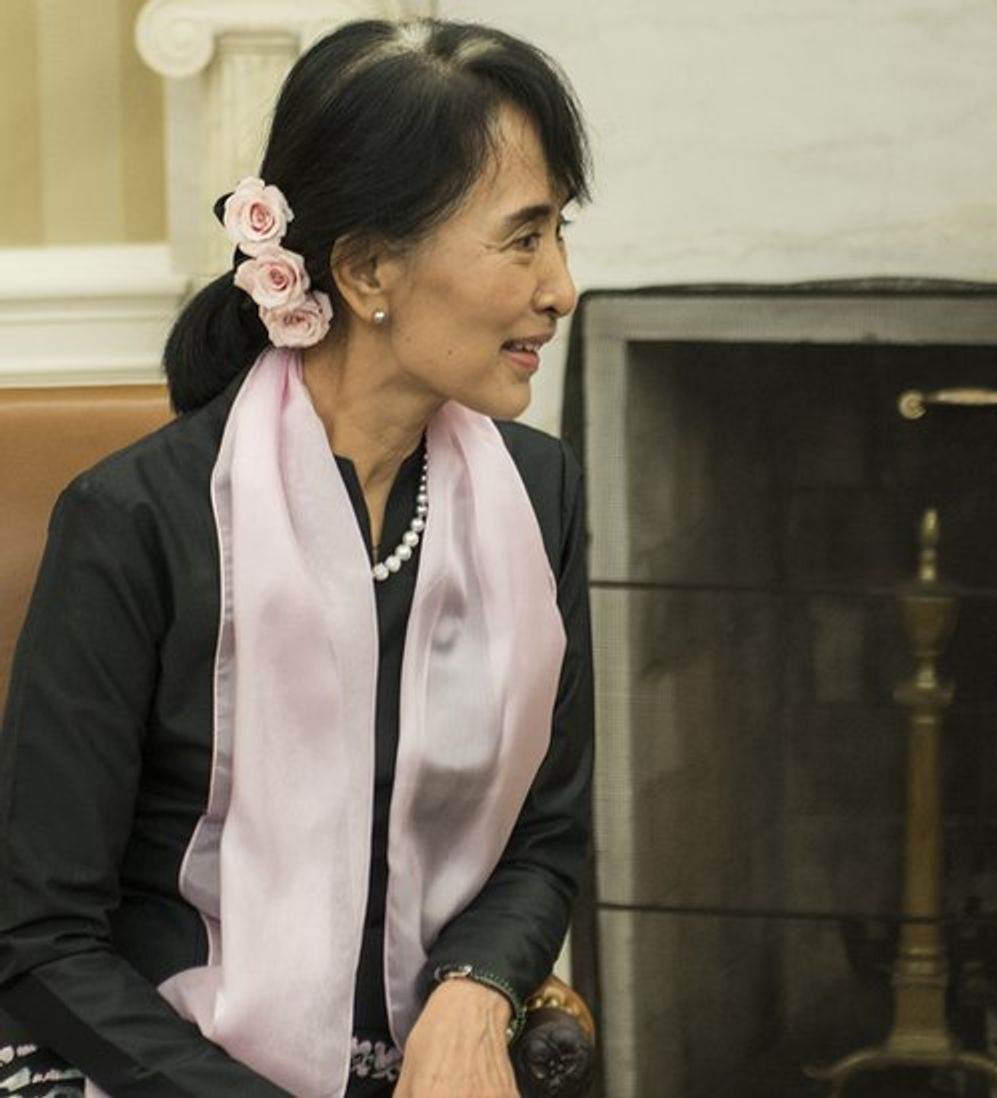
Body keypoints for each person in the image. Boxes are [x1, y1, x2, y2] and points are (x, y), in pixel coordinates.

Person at [0, 18, 592, 1098]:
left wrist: (473, 991)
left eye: (559, 231)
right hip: (149, 1062)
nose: (560, 287)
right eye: (522, 238)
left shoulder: (536, 493)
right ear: (366, 268)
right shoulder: (136, 522)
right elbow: (40, 937)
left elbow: (545, 837)